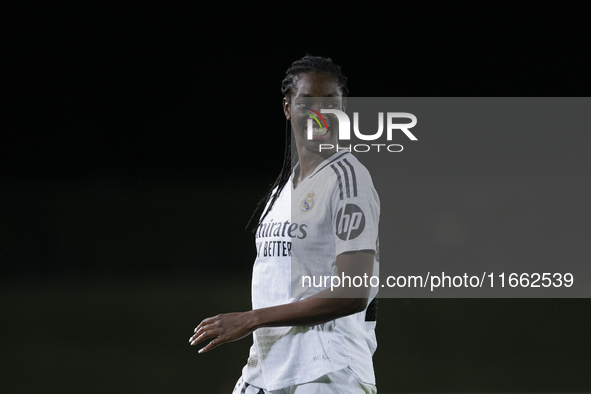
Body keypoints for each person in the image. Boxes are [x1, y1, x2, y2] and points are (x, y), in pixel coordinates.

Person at [190, 55, 380, 393]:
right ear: (287, 107)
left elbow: (353, 293)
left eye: (330, 102)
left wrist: (251, 319)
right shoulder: (284, 188)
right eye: (307, 102)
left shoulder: (349, 179)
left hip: (328, 374)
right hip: (269, 371)